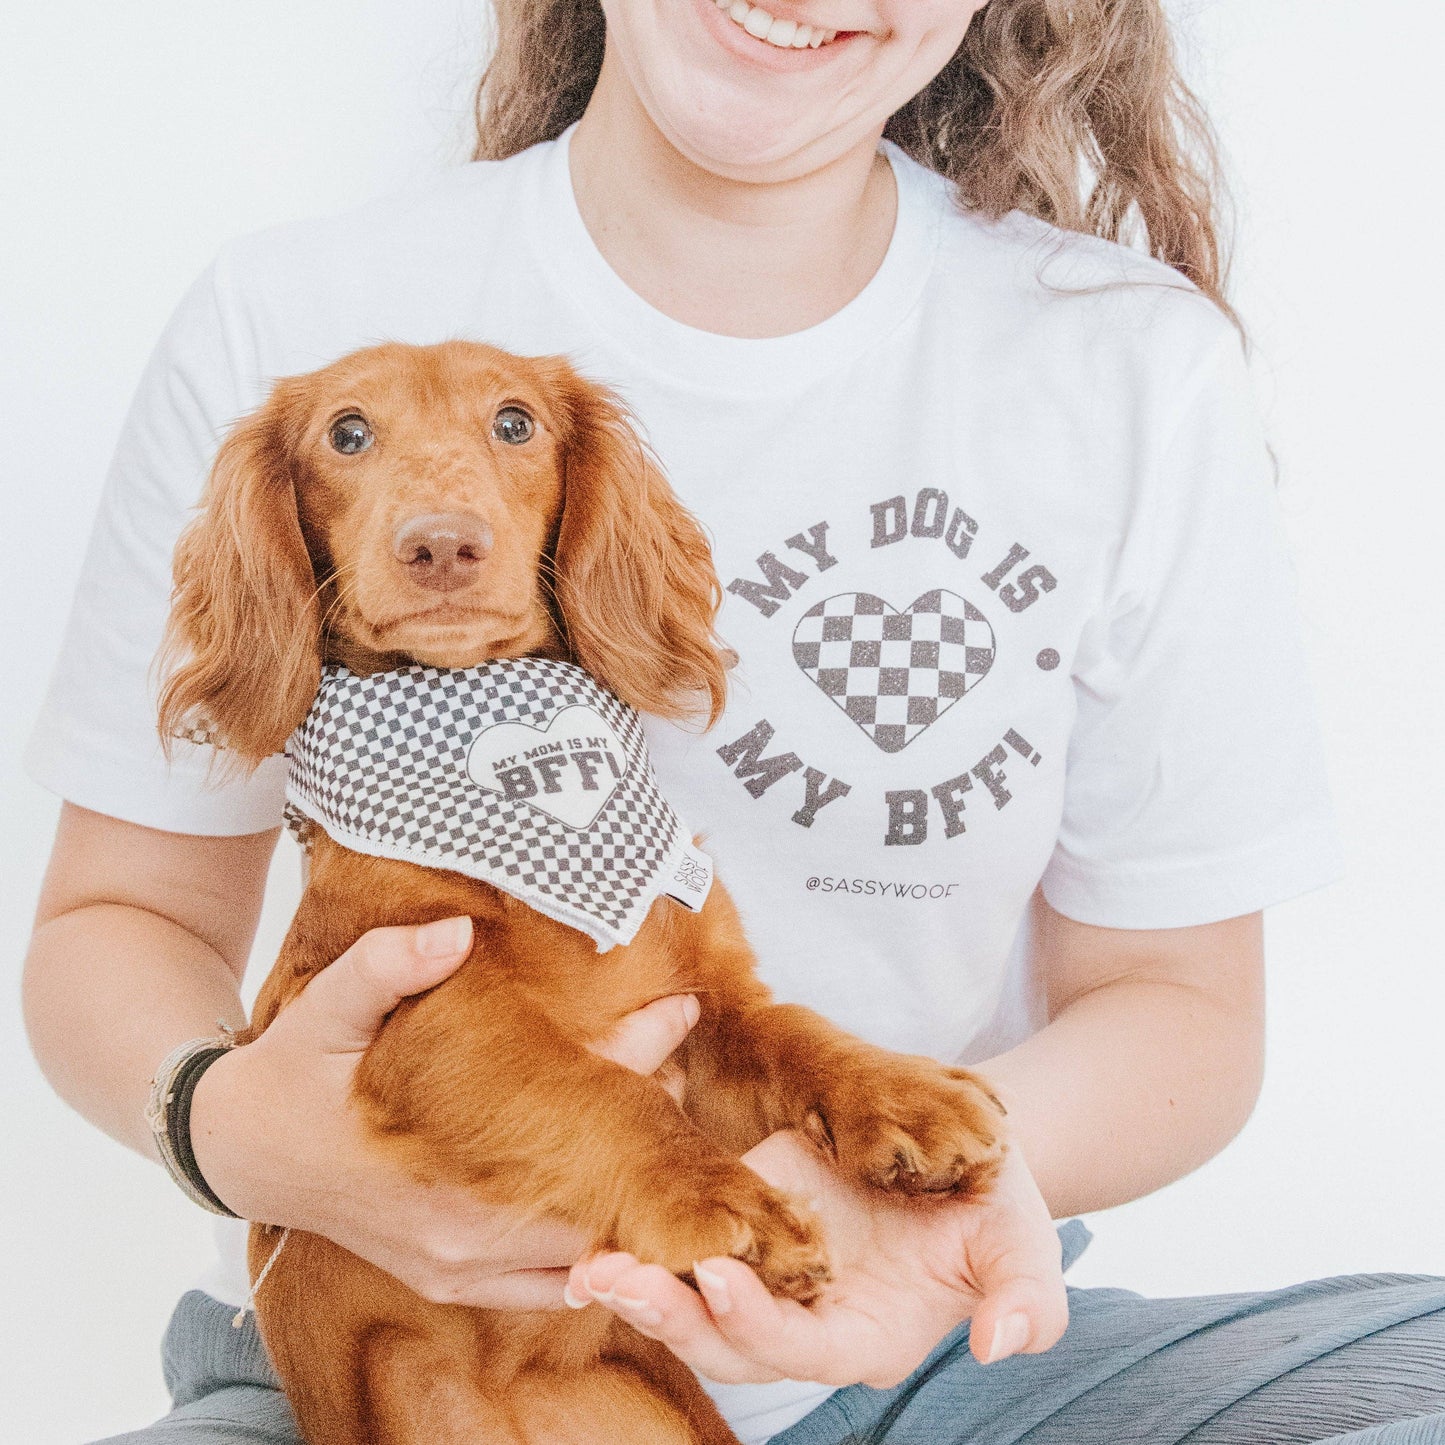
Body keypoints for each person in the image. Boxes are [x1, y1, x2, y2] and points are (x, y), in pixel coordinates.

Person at [21, 1, 1445, 1441]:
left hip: (930, 1344)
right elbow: (120, 915)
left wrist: (929, 1186)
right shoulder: (286, 304)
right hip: (400, 1363)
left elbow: (1182, 1004)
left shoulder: (1127, 359)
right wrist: (230, 1125)